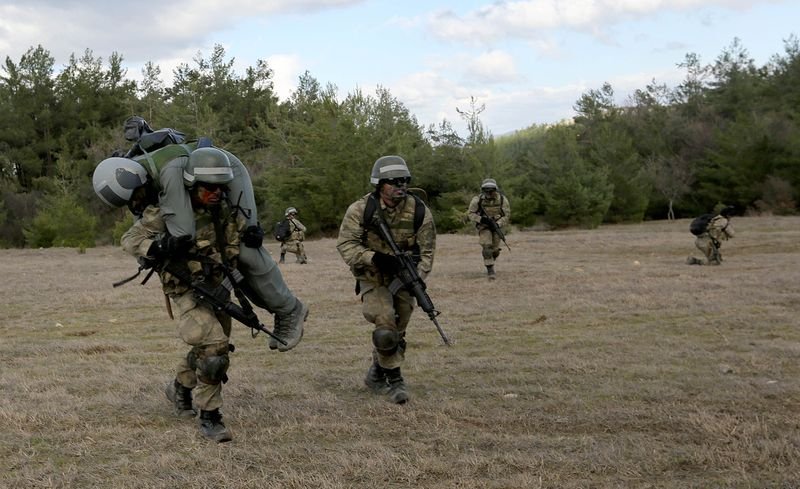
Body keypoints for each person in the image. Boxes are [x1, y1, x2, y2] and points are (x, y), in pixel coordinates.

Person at [93, 118, 307, 352]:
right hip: (203, 179)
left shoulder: (168, 172)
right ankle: (278, 312)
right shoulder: (138, 178)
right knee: (231, 268)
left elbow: (183, 231)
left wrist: (164, 248)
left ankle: (289, 310)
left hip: (228, 170)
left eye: (136, 197)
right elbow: (140, 228)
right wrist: (150, 249)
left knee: (247, 247)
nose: (135, 203)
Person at [119, 147, 243, 442]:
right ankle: (210, 417)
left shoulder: (222, 209)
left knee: (209, 347)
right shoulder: (169, 210)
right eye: (208, 187)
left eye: (219, 187)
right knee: (214, 351)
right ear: (192, 185)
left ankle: (179, 387)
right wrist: (159, 247)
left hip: (217, 287)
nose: (215, 192)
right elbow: (130, 239)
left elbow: (232, 242)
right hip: (186, 287)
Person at [336, 155, 436, 404]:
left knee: (396, 333)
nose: (400, 186)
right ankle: (395, 380)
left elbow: (427, 252)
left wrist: (417, 278)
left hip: (404, 277)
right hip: (373, 276)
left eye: (404, 180)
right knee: (385, 324)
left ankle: (377, 373)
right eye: (393, 181)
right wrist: (373, 258)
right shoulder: (361, 210)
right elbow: (346, 245)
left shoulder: (419, 211)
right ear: (380, 184)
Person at [467, 178, 511, 280]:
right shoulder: (477, 200)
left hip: (497, 226)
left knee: (495, 250)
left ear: (495, 189)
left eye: (491, 190)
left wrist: (498, 223)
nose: (489, 192)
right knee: (486, 246)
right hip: (484, 226)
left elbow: (507, 215)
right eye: (486, 190)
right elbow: (470, 214)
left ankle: (492, 257)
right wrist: (482, 220)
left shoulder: (502, 199)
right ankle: (490, 270)